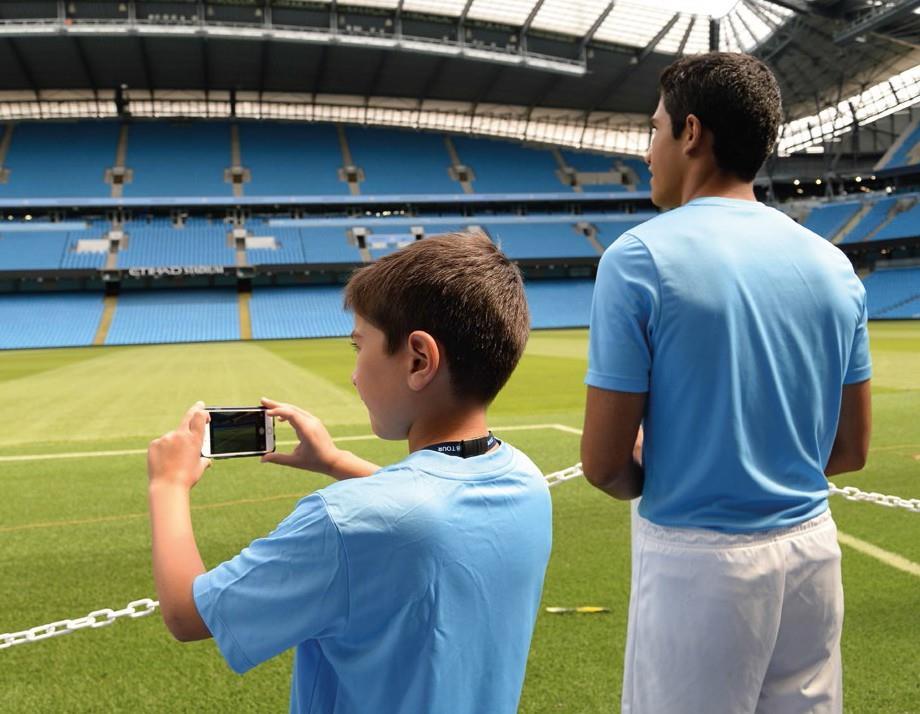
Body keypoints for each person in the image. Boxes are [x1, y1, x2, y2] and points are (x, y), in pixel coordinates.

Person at [146, 231, 552, 714]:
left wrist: (168, 484)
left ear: (419, 359)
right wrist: (335, 461)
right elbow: (434, 512)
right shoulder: (525, 479)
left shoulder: (343, 523)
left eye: (359, 346)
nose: (355, 374)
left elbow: (188, 615)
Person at [580, 52, 871, 714]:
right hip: (812, 559)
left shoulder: (637, 260)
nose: (648, 151)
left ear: (691, 133)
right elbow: (850, 451)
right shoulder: (833, 266)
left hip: (697, 566)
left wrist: (665, 472)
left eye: (653, 130)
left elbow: (602, 464)